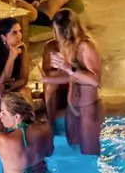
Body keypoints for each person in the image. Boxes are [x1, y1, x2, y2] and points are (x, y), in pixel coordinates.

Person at [43, 9, 103, 155]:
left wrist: (68, 68)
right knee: (74, 148)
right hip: (73, 106)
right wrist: (48, 79)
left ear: (65, 30)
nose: (54, 34)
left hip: (88, 107)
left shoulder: (86, 46)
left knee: (89, 155)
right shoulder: (67, 46)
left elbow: (95, 80)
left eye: (56, 30)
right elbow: (73, 77)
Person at [0, 92, 54, 173]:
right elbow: (49, 153)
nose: (0, 115)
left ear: (17, 117)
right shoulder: (46, 130)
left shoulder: (2, 140)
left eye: (3, 113)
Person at [41, 37, 67, 131]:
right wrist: (58, 70)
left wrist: (66, 68)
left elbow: (79, 72)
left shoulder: (76, 45)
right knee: (50, 83)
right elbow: (45, 70)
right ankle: (51, 123)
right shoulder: (51, 46)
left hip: (72, 80)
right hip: (58, 81)